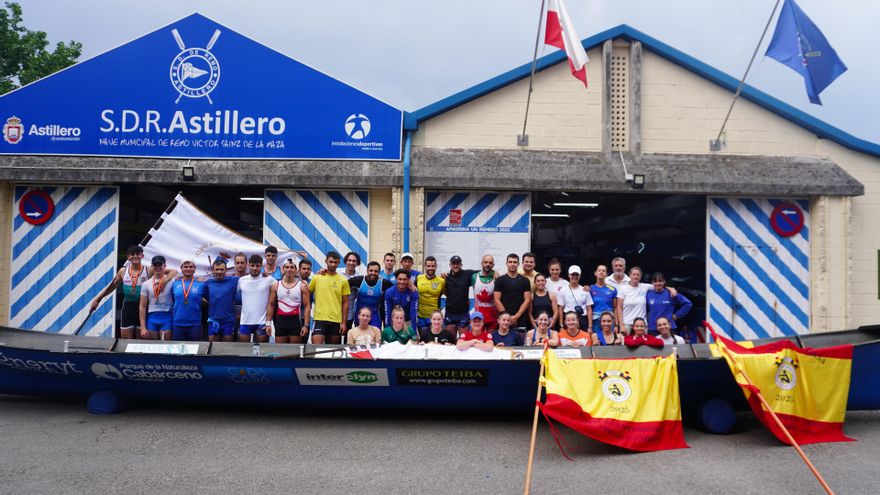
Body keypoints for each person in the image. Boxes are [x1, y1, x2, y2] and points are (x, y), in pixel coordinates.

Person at [90, 245, 150, 339]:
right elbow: (111, 287)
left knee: (141, 343)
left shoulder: (148, 270)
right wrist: (97, 299)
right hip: (127, 308)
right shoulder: (123, 271)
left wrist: (179, 277)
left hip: (143, 309)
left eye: (138, 254)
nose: (135, 256)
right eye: (132, 254)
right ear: (128, 257)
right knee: (125, 342)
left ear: (142, 256)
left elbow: (165, 273)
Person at [308, 251, 350, 345]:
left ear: (339, 263)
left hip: (336, 320)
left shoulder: (343, 280)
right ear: (326, 261)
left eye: (335, 262)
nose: (333, 264)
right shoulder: (317, 277)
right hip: (319, 319)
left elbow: (345, 303)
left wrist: (343, 323)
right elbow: (306, 293)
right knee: (315, 349)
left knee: (333, 352)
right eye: (331, 262)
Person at [268, 258, 310, 344]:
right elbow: (271, 305)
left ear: (296, 270)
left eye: (292, 267)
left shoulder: (302, 286)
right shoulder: (276, 285)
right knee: (281, 353)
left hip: (295, 323)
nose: (289, 270)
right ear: (283, 269)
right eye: (287, 267)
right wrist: (268, 323)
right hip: (280, 323)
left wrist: (305, 325)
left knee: (294, 353)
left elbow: (307, 306)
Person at [238, 254, 276, 343]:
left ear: (261, 266)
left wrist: (303, 281)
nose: (255, 268)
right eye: (252, 265)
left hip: (261, 322)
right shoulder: (242, 280)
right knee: (244, 351)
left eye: (257, 266)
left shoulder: (269, 279)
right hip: (245, 322)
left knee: (262, 351)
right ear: (248, 265)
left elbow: (285, 284)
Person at [137, 255, 177, 341]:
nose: (158, 267)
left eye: (160, 265)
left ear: (165, 266)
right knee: (152, 346)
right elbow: (142, 306)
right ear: (152, 266)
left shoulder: (172, 281)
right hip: (152, 317)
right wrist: (143, 328)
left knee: (166, 346)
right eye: (155, 265)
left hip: (167, 317)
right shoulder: (146, 284)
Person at [493, 253, 532, 335]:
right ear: (506, 263)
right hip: (504, 320)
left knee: (520, 344)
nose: (512, 264)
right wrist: (507, 318)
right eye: (510, 262)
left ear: (518, 264)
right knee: (504, 344)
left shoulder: (525, 280)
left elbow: (527, 300)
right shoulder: (500, 280)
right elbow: (496, 300)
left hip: (520, 319)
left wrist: (516, 317)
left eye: (515, 262)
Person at [347, 261, 393, 329]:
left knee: (375, 335)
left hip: (375, 315)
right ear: (367, 271)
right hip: (360, 314)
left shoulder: (383, 283)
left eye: (376, 271)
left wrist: (409, 284)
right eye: (371, 270)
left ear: (379, 272)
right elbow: (343, 284)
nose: (373, 273)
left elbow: (398, 288)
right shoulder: (359, 280)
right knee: (359, 336)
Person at [203, 258, 240, 342]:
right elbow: (208, 297)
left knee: (227, 350)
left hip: (228, 321)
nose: (219, 271)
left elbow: (249, 279)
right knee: (213, 348)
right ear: (213, 270)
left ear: (226, 270)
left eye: (221, 269)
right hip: (213, 320)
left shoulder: (234, 280)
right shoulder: (208, 282)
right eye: (217, 269)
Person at [170, 260, 206, 341]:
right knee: (178, 351)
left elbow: (209, 300)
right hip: (177, 323)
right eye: (185, 267)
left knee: (195, 351)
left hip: (195, 324)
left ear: (195, 269)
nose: (188, 269)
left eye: (190, 267)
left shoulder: (201, 284)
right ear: (181, 269)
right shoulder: (175, 283)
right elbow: (173, 300)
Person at [443, 255, 477, 338]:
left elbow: (483, 272)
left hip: (463, 313)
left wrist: (494, 272)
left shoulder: (467, 274)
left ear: (461, 265)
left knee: (464, 339)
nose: (455, 265)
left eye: (458, 263)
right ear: (450, 265)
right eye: (453, 263)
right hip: (450, 313)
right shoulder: (445, 277)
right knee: (450, 341)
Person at [556, 265, 593, 331]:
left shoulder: (585, 290)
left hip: (582, 319)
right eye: (572, 275)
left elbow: (589, 309)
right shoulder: (563, 290)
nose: (574, 277)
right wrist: (561, 325)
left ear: (580, 276)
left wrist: (590, 327)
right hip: (568, 318)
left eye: (577, 275)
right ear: (569, 275)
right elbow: (560, 309)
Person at [617, 266, 652, 334]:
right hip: (627, 324)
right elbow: (619, 308)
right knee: (624, 344)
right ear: (629, 275)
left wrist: (670, 289)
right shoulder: (622, 288)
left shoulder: (645, 287)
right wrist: (621, 325)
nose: (636, 276)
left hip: (641, 325)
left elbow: (658, 286)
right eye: (634, 274)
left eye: (638, 275)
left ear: (640, 276)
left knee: (643, 344)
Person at [415, 256, 446, 333]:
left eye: (433, 266)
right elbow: (412, 290)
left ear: (436, 266)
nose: (430, 268)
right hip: (421, 316)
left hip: (435, 317)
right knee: (423, 340)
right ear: (425, 266)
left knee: (435, 341)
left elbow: (449, 294)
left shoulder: (442, 281)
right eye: (428, 266)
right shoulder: (419, 278)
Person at [589, 264, 622, 331]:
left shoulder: (612, 289)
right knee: (597, 340)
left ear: (606, 274)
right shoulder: (590, 289)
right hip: (596, 321)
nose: (601, 272)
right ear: (595, 273)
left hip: (609, 321)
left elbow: (615, 308)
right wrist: (590, 326)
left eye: (603, 271)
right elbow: (589, 309)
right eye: (599, 270)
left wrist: (616, 324)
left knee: (610, 341)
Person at [472, 254, 498, 331]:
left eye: (490, 263)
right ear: (482, 263)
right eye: (486, 262)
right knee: (479, 339)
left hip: (492, 315)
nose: (488, 264)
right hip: (478, 315)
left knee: (491, 339)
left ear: (493, 265)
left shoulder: (497, 277)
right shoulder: (474, 277)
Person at [341, 251, 362, 330]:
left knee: (347, 339)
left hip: (349, 314)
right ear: (346, 261)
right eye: (349, 260)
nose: (351, 263)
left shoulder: (359, 278)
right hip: (335, 312)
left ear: (357, 263)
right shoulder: (337, 272)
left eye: (354, 261)